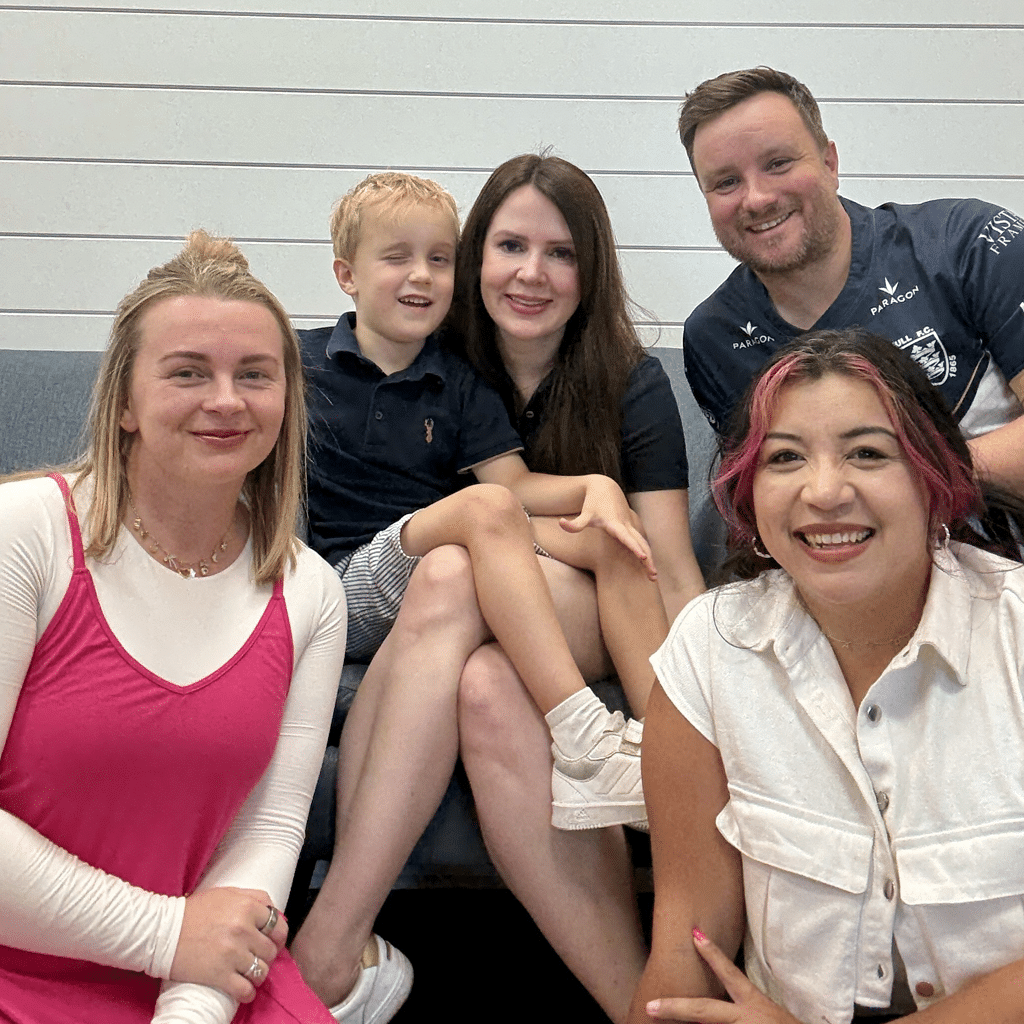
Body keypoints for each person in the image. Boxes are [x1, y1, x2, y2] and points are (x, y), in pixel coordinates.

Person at [291, 170, 689, 1023]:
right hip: (396, 584)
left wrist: (708, 703)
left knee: (571, 545)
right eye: (509, 246)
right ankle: (635, 998)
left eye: (560, 253)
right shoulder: (387, 359)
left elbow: (662, 561)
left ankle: (663, 756)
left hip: (538, 594)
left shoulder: (607, 380)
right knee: (472, 646)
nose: (531, 272)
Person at [0, 231, 347, 1023]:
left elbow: (268, 833)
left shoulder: (311, 591)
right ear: (124, 402)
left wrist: (189, 1007)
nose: (226, 400)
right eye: (188, 372)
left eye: (254, 374)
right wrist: (165, 935)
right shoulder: (23, 533)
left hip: (203, 979)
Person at [629, 327, 1024, 1024]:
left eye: (867, 453)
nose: (824, 491)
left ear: (935, 479)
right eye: (785, 457)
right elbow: (687, 959)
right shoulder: (710, 647)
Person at [678, 66, 1024, 495]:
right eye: (726, 182)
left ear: (830, 163)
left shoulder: (972, 243)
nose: (758, 198)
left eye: (778, 164)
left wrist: (900, 484)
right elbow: (760, 498)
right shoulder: (715, 338)